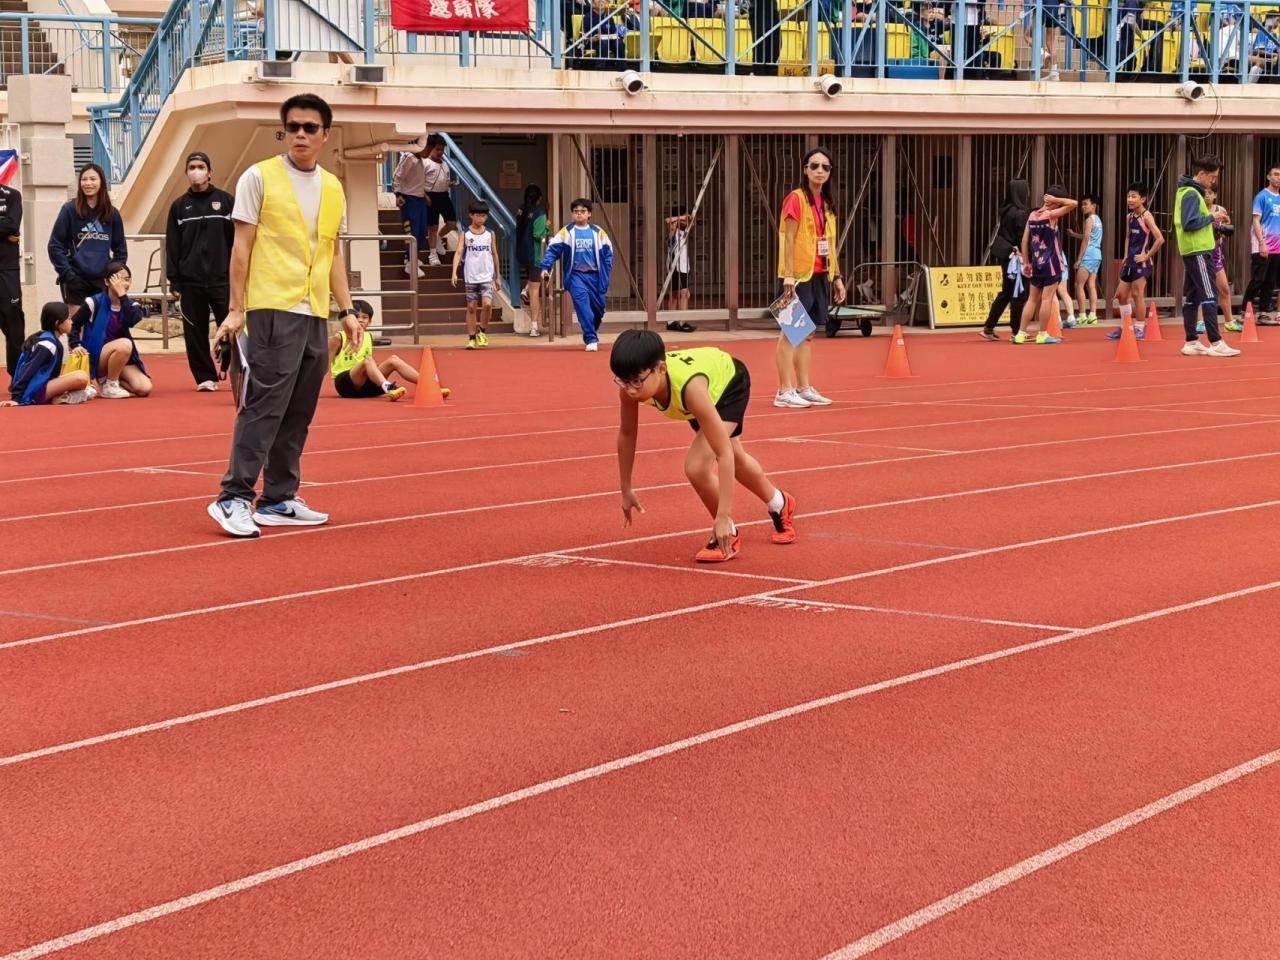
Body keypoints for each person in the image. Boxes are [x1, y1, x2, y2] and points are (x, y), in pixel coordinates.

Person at [208, 92, 360, 539]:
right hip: (272, 306)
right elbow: (241, 248)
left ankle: (277, 498)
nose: (300, 135)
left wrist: (347, 310)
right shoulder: (259, 177)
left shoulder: (332, 187)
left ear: (325, 134)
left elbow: (333, 254)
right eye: (292, 127)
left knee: (299, 409)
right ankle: (233, 496)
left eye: (310, 128)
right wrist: (236, 309)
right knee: (264, 406)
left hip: (314, 311)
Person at [610, 328, 797, 564]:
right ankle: (780, 503)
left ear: (661, 369)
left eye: (637, 381)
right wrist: (625, 488)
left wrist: (723, 516)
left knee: (697, 466)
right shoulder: (631, 387)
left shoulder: (691, 390)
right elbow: (627, 434)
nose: (630, 389)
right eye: (622, 381)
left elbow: (723, 454)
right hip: (704, 387)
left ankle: (727, 533)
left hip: (729, 385)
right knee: (737, 457)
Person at [776, 146, 844, 407]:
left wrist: (836, 276)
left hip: (819, 274)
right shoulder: (796, 198)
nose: (819, 171)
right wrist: (788, 276)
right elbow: (788, 238)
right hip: (797, 277)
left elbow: (830, 242)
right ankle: (784, 390)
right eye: (814, 166)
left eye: (825, 167)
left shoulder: (826, 203)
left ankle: (803, 387)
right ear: (805, 170)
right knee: (790, 332)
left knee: (808, 333)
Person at [166, 151, 235, 392]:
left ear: (209, 172)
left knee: (232, 328)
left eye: (201, 167)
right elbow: (173, 245)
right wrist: (174, 279)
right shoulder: (178, 207)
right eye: (192, 167)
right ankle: (205, 377)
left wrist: (238, 275)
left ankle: (234, 370)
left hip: (223, 280)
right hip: (190, 281)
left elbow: (237, 241)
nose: (196, 171)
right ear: (186, 173)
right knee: (195, 332)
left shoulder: (226, 202)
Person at [1175, 156, 1240, 357]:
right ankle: (1216, 342)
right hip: (1198, 251)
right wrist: (1212, 217)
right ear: (1202, 174)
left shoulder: (1186, 191)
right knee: (1210, 294)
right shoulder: (1192, 193)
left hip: (1193, 249)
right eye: (1212, 177)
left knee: (1193, 297)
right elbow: (1190, 223)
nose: (1214, 181)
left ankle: (1192, 341)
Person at [48, 163, 128, 314]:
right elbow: (55, 246)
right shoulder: (69, 210)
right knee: (77, 325)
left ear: (101, 182)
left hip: (102, 281)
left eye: (93, 179)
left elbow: (120, 250)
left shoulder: (112, 214)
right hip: (75, 280)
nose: (88, 183)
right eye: (84, 179)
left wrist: (112, 274)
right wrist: (68, 274)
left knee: (101, 325)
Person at [540, 198, 613, 352]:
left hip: (596, 276)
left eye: (583, 211)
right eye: (576, 211)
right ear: (572, 214)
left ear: (589, 214)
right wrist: (545, 266)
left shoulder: (598, 232)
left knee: (599, 310)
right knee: (583, 307)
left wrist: (606, 270)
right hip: (576, 276)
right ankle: (591, 339)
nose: (579, 214)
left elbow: (608, 253)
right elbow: (553, 249)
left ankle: (590, 328)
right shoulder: (566, 232)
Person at [69, 263, 152, 399]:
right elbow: (74, 324)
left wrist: (122, 296)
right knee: (125, 344)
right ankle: (110, 385)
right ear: (107, 282)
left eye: (127, 279)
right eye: (118, 279)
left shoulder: (131, 305)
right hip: (98, 356)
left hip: (120, 358)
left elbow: (132, 320)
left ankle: (112, 381)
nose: (123, 283)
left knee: (144, 388)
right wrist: (75, 344)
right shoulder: (94, 302)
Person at [1014, 185, 1077, 345]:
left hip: (1036, 263)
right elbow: (1073, 203)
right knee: (1047, 299)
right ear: (1055, 202)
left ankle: (1021, 333)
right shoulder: (1051, 215)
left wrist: (1026, 263)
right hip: (1052, 263)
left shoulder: (1032, 215)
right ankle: (1042, 334)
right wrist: (1056, 200)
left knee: (1032, 299)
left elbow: (1024, 241)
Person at [1, 302, 91, 407]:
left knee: (80, 377)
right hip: (34, 392)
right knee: (81, 377)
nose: (72, 322)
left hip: (42, 386)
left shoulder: (50, 340)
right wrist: (16, 398)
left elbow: (53, 374)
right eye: (69, 319)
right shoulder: (47, 345)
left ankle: (60, 396)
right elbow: (28, 370)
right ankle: (60, 396)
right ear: (57, 323)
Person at [329, 300, 417, 401]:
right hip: (346, 385)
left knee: (393, 359)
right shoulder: (338, 338)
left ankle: (428, 383)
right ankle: (388, 387)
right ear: (349, 319)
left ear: (370, 321)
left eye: (364, 317)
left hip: (367, 386)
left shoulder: (368, 337)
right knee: (368, 360)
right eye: (356, 317)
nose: (360, 320)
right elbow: (324, 364)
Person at [1107, 182, 1163, 341]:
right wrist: (1126, 255)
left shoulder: (1147, 217)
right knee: (1121, 295)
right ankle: (1125, 326)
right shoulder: (1129, 217)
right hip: (1130, 261)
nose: (1129, 200)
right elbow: (1127, 237)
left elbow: (1160, 239)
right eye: (1128, 196)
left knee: (1138, 294)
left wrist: (1147, 255)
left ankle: (1139, 327)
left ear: (1143, 199)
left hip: (1142, 263)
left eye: (1133, 197)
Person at [982, 178, 1030, 341]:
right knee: (1019, 293)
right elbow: (1022, 238)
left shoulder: (1006, 210)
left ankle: (989, 326)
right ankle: (1017, 331)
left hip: (1006, 255)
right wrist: (1028, 258)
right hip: (1016, 258)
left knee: (1007, 292)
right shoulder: (1021, 213)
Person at [452, 200, 501, 350]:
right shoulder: (465, 234)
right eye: (478, 215)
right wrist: (454, 272)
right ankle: (472, 337)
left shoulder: (490, 233)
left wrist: (497, 276)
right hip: (471, 276)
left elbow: (494, 253)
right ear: (471, 216)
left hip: (487, 275)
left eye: (484, 216)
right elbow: (458, 252)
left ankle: (482, 331)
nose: (481, 219)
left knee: (487, 304)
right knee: (472, 307)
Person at [1243, 164, 1280, 320]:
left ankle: (1264, 312)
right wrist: (1261, 243)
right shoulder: (1262, 196)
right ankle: (1245, 309)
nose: (1278, 178)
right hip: (1262, 245)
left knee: (1270, 281)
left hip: (1277, 247)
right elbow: (1256, 221)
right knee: (1258, 279)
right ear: (1268, 177)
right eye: (1276, 174)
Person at [515, 184, 551, 337]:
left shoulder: (521, 209)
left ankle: (525, 289)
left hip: (523, 252)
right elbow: (539, 235)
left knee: (532, 283)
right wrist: (547, 228)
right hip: (536, 255)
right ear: (540, 198)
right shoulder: (540, 213)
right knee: (535, 291)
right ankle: (534, 326)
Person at [1206, 187, 1242, 334]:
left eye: (1210, 193)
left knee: (1224, 289)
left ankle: (1229, 322)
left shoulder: (1220, 210)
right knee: (1201, 290)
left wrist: (1225, 225)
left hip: (1216, 255)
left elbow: (1227, 227)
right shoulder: (1199, 210)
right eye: (1204, 193)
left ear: (1214, 195)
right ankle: (1200, 322)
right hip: (1201, 252)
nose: (1207, 196)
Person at [392, 140, 430, 278]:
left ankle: (414, 257)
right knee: (412, 231)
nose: (428, 153)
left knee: (422, 231)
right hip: (409, 200)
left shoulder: (420, 161)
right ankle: (409, 261)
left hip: (419, 199)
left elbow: (416, 182)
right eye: (428, 149)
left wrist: (424, 195)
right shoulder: (409, 157)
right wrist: (398, 194)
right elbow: (397, 176)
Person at [422, 134, 457, 267]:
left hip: (444, 195)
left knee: (452, 223)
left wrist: (449, 184)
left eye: (442, 149)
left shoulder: (445, 164)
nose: (440, 152)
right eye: (437, 149)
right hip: (430, 196)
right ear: (430, 148)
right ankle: (432, 254)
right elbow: (419, 181)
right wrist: (424, 195)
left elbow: (442, 180)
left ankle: (438, 238)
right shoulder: (425, 163)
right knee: (432, 226)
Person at [0, 181, 22, 383]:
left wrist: (8, 228)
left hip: (7, 269)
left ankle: (18, 376)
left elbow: (12, 225)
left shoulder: (12, 195)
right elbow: (6, 227)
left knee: (13, 324)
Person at [1070, 193, 1102, 325]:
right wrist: (1074, 234)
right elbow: (1088, 236)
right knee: (1091, 285)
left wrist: (1079, 259)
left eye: (1085, 204)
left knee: (1079, 284)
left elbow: (1086, 239)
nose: (1082, 207)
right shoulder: (1098, 219)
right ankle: (1093, 314)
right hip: (1097, 255)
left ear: (1093, 206)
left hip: (1088, 255)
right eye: (1082, 204)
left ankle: (1082, 314)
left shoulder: (1089, 220)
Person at [665, 206, 696, 331]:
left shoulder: (684, 231)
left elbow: (692, 221)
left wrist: (686, 218)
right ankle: (681, 322)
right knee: (683, 293)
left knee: (676, 293)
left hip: (683, 266)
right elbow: (668, 220)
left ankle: (672, 321)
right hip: (675, 266)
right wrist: (681, 218)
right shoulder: (673, 229)